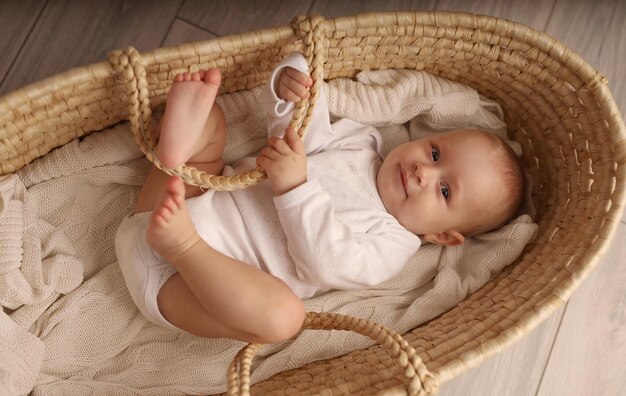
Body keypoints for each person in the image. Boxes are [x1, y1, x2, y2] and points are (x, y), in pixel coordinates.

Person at [115, 53, 524, 344]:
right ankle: (174, 155)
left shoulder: (391, 245)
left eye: (445, 190)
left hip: (186, 284)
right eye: (434, 153)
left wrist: (296, 188)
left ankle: (184, 242)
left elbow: (324, 260)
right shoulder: (363, 144)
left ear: (444, 236)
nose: (424, 171)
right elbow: (298, 131)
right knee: (212, 126)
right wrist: (292, 85)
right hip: (173, 205)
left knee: (284, 317)